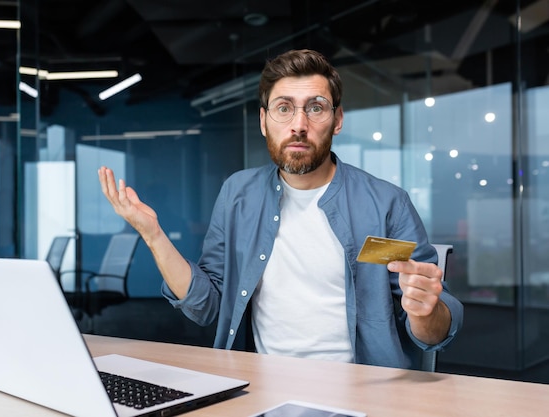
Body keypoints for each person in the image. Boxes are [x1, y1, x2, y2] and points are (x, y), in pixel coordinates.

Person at [98, 49, 463, 370]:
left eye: (315, 108)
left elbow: (434, 330)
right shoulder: (238, 195)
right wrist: (153, 235)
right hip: (258, 387)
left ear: (337, 120)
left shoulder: (386, 203)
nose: (299, 125)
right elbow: (206, 306)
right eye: (284, 108)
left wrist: (426, 311)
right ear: (263, 121)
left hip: (362, 393)